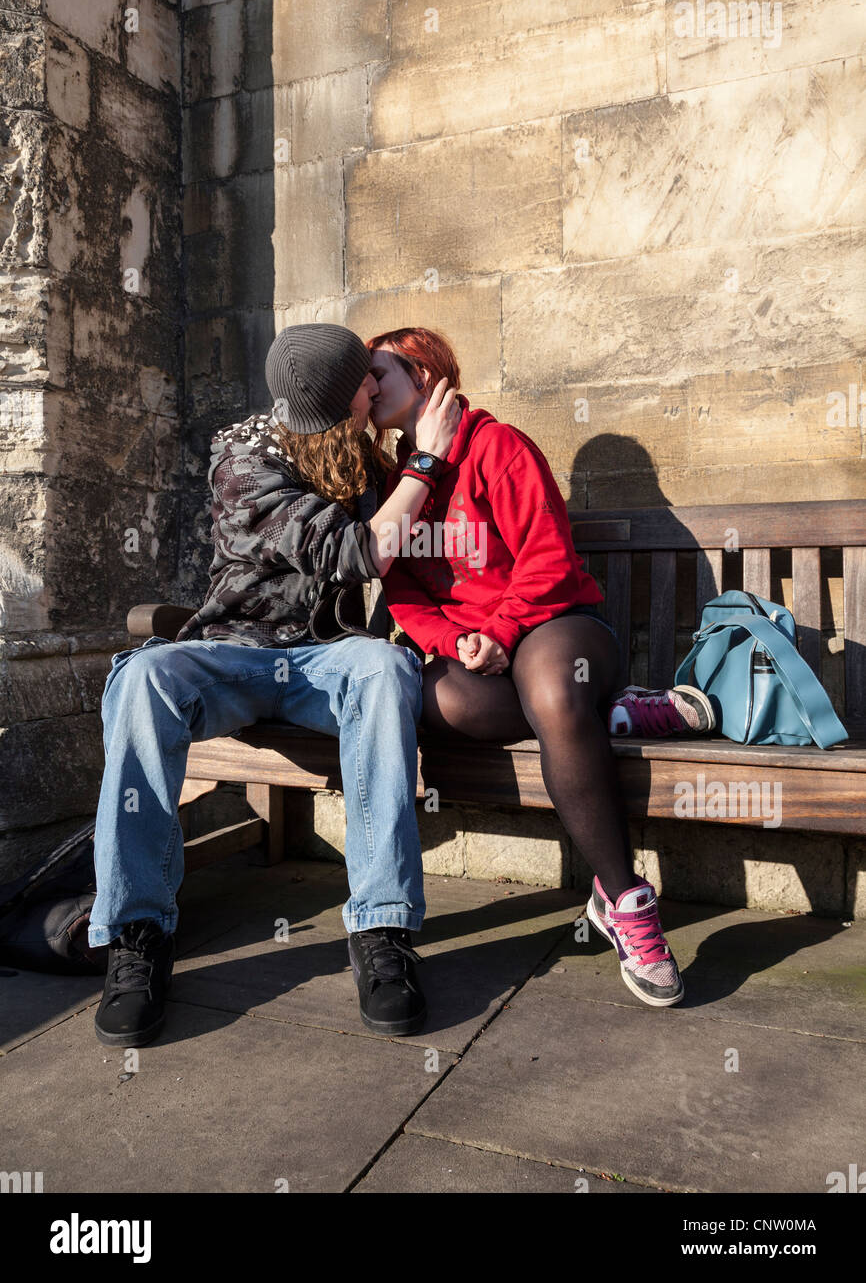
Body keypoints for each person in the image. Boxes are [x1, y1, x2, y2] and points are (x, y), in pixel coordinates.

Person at [89, 323, 461, 1047]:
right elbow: (360, 552)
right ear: (338, 400)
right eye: (364, 380)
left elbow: (424, 556)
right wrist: (425, 461)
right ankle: (137, 937)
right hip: (234, 653)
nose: (375, 387)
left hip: (324, 657)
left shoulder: (354, 447)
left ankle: (382, 931)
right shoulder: (243, 458)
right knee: (142, 678)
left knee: (385, 669)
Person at [366, 327, 713, 1009]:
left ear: (427, 374)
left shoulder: (498, 447)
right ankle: (614, 709)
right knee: (445, 700)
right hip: (479, 654)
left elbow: (549, 561)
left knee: (554, 690)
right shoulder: (398, 479)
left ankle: (623, 900)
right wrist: (451, 642)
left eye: (381, 373)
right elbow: (401, 586)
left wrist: (498, 632)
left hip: (558, 626)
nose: (368, 388)